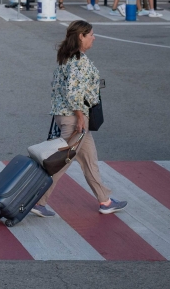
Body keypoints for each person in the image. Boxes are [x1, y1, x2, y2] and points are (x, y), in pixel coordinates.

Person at [31, 21, 126, 218]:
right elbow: (73, 93)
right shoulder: (77, 60)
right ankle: (38, 201)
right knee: (60, 162)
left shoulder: (68, 57)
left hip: (68, 116)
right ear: (81, 36)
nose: (94, 37)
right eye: (91, 34)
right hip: (74, 119)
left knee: (89, 160)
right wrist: (81, 117)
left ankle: (105, 201)